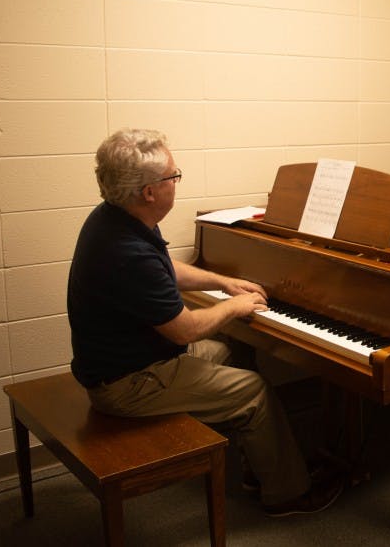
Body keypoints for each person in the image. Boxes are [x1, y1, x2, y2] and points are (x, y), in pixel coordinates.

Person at [67, 128, 343, 517]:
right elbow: (185, 330)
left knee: (234, 348)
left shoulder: (117, 218)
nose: (176, 182)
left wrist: (223, 282)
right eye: (173, 176)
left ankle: (260, 466)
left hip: (134, 360)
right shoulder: (127, 251)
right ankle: (287, 494)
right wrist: (236, 307)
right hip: (128, 383)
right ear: (149, 191)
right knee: (254, 390)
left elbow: (165, 270)